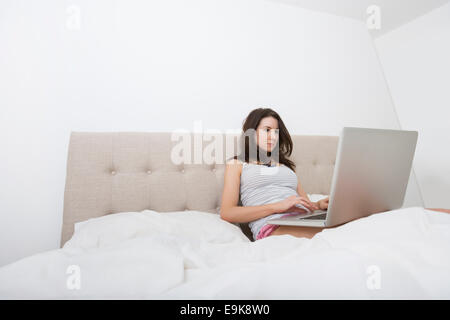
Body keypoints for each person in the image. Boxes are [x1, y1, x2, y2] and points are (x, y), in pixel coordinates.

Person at [219, 107, 330, 240]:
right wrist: (278, 207)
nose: (273, 136)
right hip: (272, 226)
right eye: (267, 130)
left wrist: (318, 205)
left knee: (340, 231)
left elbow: (305, 203)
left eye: (276, 132)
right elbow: (227, 212)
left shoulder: (286, 167)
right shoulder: (237, 164)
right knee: (329, 238)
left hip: (301, 220)